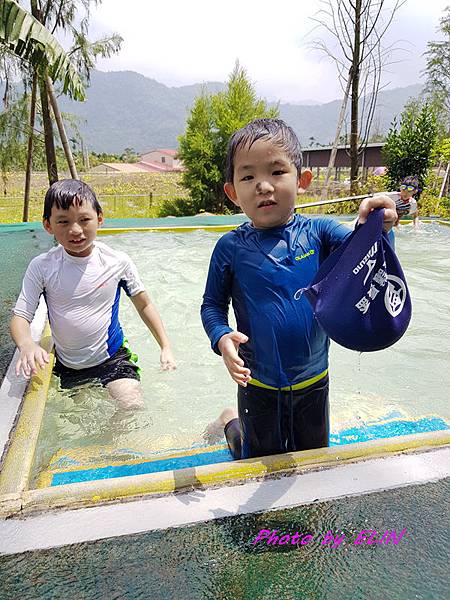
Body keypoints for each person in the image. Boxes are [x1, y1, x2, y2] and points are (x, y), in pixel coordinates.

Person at [201, 118, 396, 460]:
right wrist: (221, 336)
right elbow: (211, 305)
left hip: (314, 382)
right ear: (233, 192)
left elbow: (367, 259)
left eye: (276, 172)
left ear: (302, 180)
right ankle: (230, 422)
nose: (263, 186)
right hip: (257, 385)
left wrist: (378, 225)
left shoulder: (320, 233)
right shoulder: (230, 248)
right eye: (248, 176)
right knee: (254, 459)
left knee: (314, 461)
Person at [10, 179, 176, 411]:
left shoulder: (117, 262)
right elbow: (21, 316)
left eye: (84, 219)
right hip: (69, 366)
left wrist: (165, 346)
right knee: (80, 421)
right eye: (63, 222)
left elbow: (144, 304)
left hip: (113, 358)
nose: (75, 230)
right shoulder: (42, 267)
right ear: (48, 226)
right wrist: (27, 345)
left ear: (100, 218)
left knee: (132, 406)